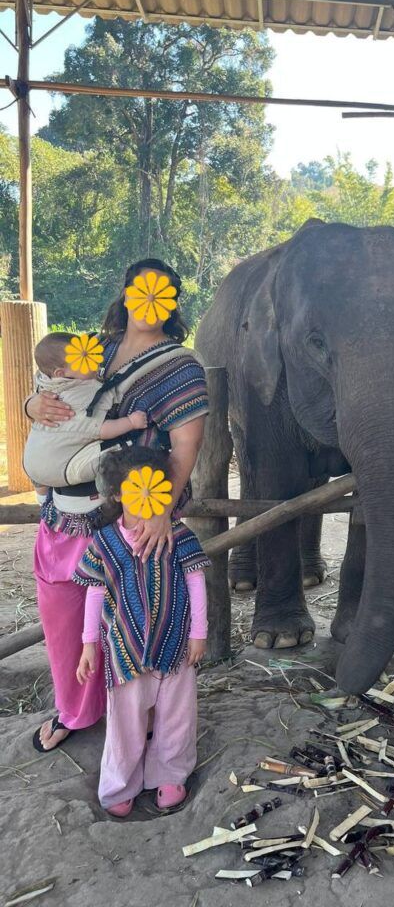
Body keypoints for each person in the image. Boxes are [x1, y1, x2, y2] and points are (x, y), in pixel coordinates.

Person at [24, 258, 208, 753]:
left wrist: (161, 510)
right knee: (64, 615)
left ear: (172, 304)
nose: (149, 301)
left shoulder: (180, 366)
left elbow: (185, 448)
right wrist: (30, 406)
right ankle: (76, 709)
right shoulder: (91, 350)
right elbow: (48, 385)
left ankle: (139, 717)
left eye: (162, 293)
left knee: (131, 618)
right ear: (125, 293)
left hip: (129, 517)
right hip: (63, 512)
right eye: (141, 289)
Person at [75, 446, 209, 816]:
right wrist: (89, 645)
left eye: (153, 487)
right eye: (136, 488)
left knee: (177, 714)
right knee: (125, 720)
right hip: (124, 649)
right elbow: (94, 592)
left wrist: (199, 633)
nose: (145, 497)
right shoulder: (103, 543)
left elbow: (196, 581)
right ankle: (120, 784)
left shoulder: (178, 536)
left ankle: (170, 774)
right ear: (117, 493)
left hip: (176, 643)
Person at [24, 332, 148, 500]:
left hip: (33, 460)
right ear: (60, 373)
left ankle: (42, 497)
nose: (95, 362)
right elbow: (99, 429)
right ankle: (113, 492)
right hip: (61, 469)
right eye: (85, 361)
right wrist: (130, 422)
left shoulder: (48, 382)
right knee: (115, 456)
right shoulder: (81, 395)